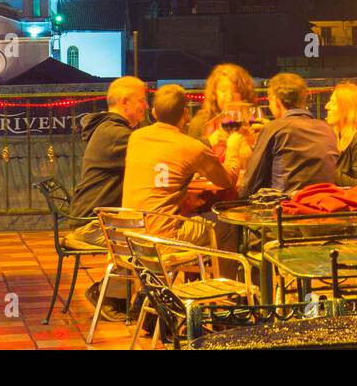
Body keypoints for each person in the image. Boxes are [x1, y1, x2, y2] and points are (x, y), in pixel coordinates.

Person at [67, 76, 148, 319]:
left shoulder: (110, 129)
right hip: (90, 224)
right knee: (143, 241)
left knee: (141, 231)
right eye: (143, 100)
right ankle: (109, 295)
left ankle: (118, 296)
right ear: (125, 102)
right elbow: (156, 154)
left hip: (96, 217)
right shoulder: (115, 134)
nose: (146, 106)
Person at [122, 84, 242, 247]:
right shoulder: (191, 147)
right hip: (163, 239)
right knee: (227, 222)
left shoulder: (135, 138)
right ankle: (223, 274)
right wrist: (234, 147)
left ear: (154, 113)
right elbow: (228, 181)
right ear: (186, 113)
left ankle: (198, 270)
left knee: (192, 215)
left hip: (129, 237)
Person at [241, 73, 338, 196]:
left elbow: (250, 184)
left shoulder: (273, 128)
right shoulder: (327, 129)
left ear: (276, 101)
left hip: (286, 209)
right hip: (324, 206)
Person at [188, 63, 257, 159]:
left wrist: (253, 143)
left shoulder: (254, 123)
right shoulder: (200, 122)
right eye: (223, 91)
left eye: (236, 91)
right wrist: (210, 141)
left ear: (244, 94)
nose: (229, 97)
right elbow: (189, 159)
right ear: (214, 94)